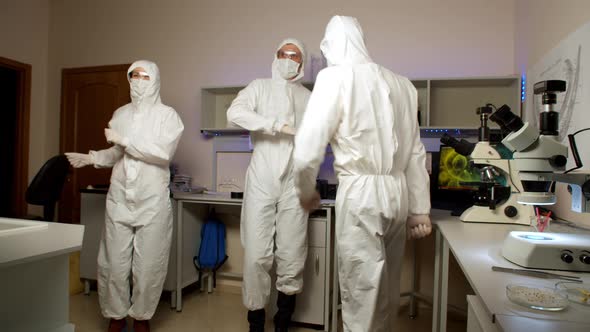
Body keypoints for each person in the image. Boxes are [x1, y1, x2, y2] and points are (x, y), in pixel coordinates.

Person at [292, 16, 432, 332]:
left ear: (331, 45)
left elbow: (308, 146)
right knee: (387, 286)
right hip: (398, 192)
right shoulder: (403, 84)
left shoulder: (334, 77)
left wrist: (304, 190)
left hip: (361, 192)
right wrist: (420, 209)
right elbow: (414, 151)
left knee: (361, 289)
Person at [65, 60, 184, 332]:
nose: (139, 81)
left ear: (154, 79)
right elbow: (117, 154)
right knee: (113, 262)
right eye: (134, 76)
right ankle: (116, 316)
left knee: (148, 264)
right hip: (120, 197)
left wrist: (126, 141)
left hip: (152, 200)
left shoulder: (168, 116)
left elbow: (162, 153)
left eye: (144, 75)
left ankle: (141, 317)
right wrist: (92, 157)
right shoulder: (120, 114)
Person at [226, 38, 311, 332]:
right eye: (284, 53)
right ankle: (256, 324)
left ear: (302, 62)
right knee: (256, 254)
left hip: (295, 180)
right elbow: (235, 113)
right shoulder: (258, 87)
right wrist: (275, 124)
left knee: (292, 251)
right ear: (275, 56)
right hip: (262, 175)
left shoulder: (306, 96)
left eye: (295, 55)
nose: (289, 59)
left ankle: (283, 323)